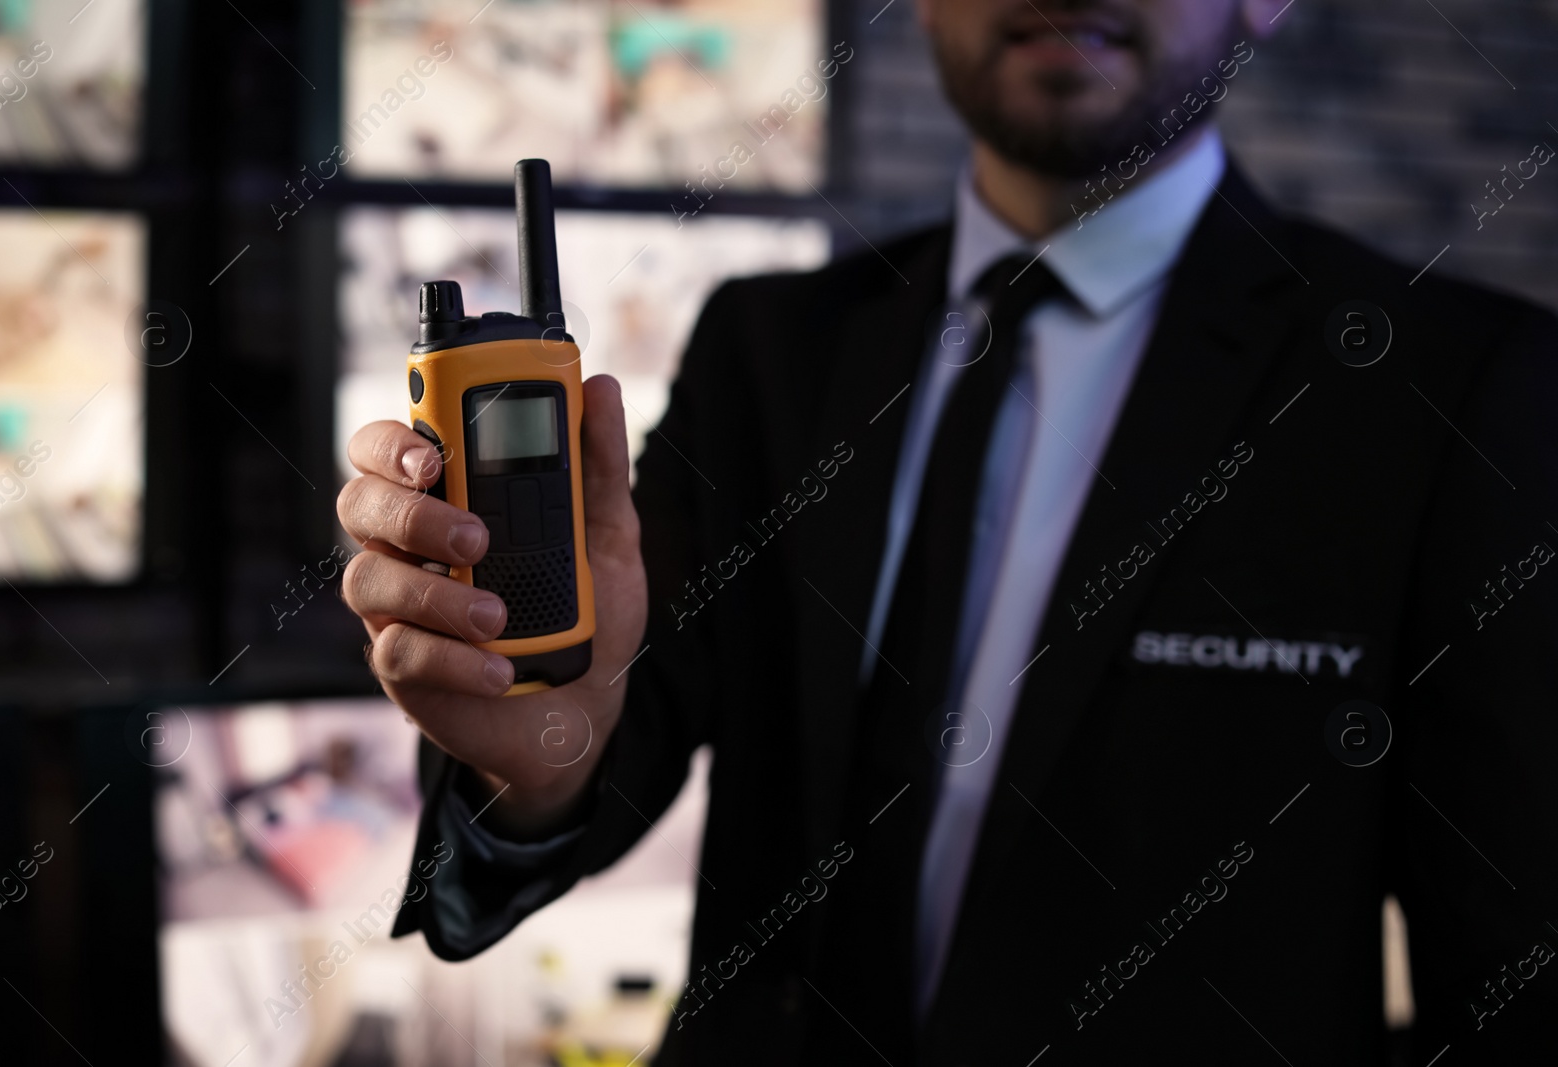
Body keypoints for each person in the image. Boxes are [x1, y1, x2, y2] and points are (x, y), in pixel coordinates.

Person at [337, 0, 1558, 1061]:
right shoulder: (771, 351)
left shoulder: (1442, 389)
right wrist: (534, 748)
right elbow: (595, 744)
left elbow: (1507, 963)